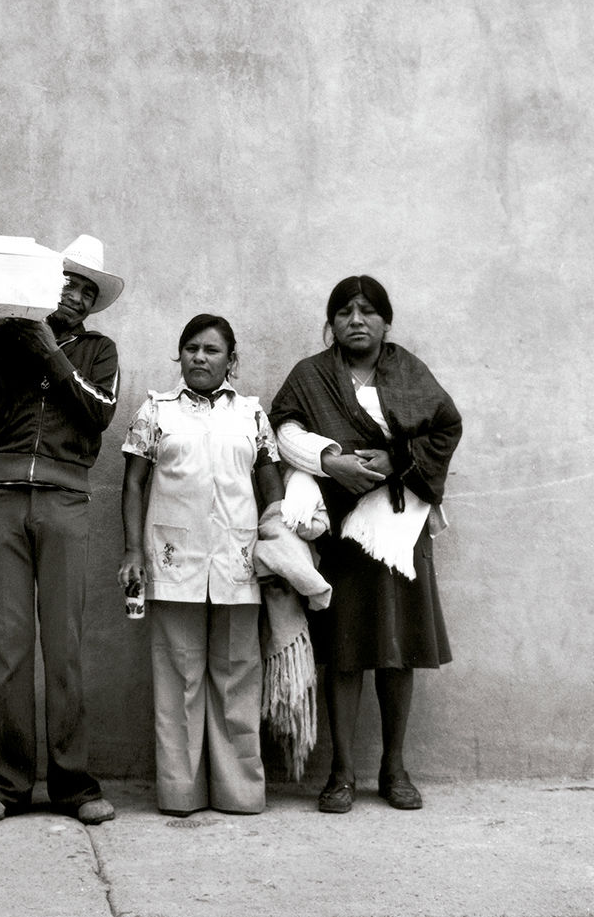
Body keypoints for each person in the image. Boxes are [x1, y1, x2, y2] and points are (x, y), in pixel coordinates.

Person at [268, 275, 462, 814]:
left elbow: (445, 426)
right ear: (330, 323)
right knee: (346, 649)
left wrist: (396, 460)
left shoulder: (407, 371)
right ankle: (341, 773)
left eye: (368, 311)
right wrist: (331, 462)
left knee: (397, 648)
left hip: (401, 526)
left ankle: (394, 769)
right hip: (343, 527)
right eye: (344, 311)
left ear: (385, 322)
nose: (356, 319)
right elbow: (281, 428)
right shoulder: (311, 376)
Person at [0, 234, 123, 826]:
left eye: (86, 289)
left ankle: (74, 786)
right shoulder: (5, 339)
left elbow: (98, 412)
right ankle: (7, 785)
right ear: (45, 286)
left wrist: (51, 349)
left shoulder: (100, 349)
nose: (74, 294)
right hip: (0, 497)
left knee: (65, 647)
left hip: (66, 502)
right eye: (66, 283)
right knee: (10, 647)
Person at [118, 315, 283, 815]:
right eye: (191, 348)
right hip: (173, 559)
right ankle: (180, 792)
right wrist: (131, 551)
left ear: (231, 360)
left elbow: (269, 479)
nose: (199, 357)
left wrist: (275, 537)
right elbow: (132, 485)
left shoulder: (252, 415)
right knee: (178, 679)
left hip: (238, 560)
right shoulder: (156, 410)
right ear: (180, 354)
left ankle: (239, 792)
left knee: (237, 675)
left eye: (212, 350)